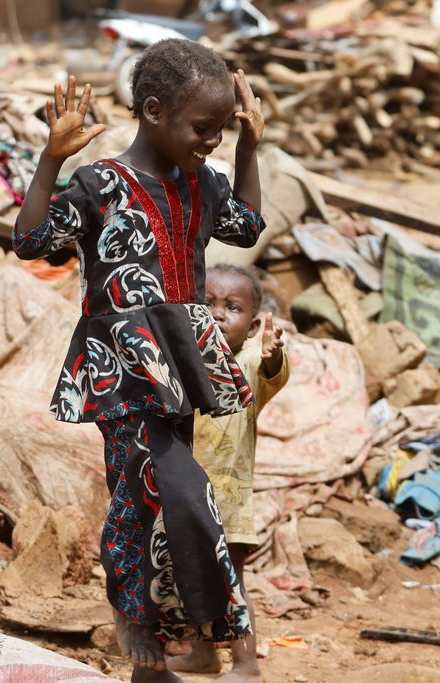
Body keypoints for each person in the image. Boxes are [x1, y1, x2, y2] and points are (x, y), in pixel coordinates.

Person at [12, 38, 267, 683]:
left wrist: (248, 148)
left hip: (183, 367)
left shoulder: (201, 183)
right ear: (153, 111)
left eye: (219, 129)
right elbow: (31, 241)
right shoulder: (100, 184)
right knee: (174, 494)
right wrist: (51, 159)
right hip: (124, 367)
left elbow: (245, 227)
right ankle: (188, 646)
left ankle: (165, 649)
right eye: (203, 128)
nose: (210, 141)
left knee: (146, 505)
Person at [167, 264, 289, 682]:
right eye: (207, 303)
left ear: (253, 325)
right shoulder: (183, 359)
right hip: (186, 497)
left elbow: (272, 368)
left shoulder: (250, 363)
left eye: (232, 308)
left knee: (230, 583)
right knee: (193, 579)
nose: (217, 314)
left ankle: (247, 665)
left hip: (228, 501)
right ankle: (203, 656)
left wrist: (273, 355)